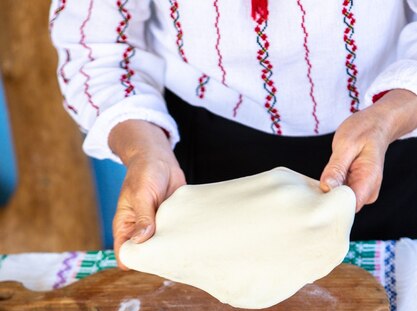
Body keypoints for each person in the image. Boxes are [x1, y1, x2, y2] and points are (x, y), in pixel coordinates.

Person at [49, 1, 417, 265]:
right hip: (198, 157)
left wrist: (390, 115)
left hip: (389, 140)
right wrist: (143, 151)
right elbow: (95, 45)